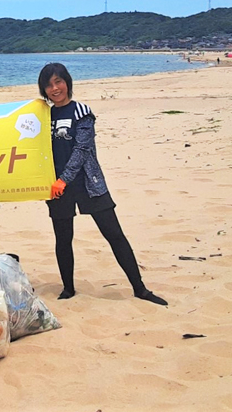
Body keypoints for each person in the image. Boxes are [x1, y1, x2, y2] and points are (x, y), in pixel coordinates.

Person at [38, 63, 167, 306]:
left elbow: (82, 149)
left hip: (88, 183)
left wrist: (63, 179)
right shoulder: (43, 116)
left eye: (59, 82)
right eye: (49, 85)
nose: (55, 88)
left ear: (68, 82)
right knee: (63, 239)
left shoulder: (81, 112)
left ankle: (140, 289)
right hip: (56, 187)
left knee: (115, 235)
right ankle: (68, 289)